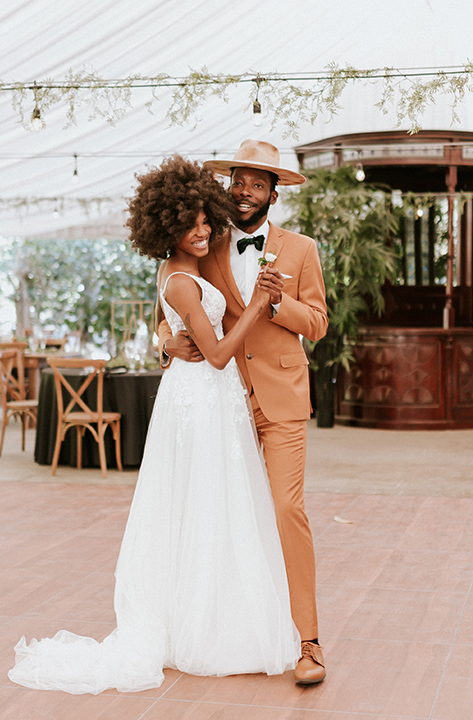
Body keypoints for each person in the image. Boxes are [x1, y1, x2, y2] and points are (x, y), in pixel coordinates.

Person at [8, 155, 301, 695]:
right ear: (167, 225)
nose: (203, 230)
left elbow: (303, 319)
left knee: (222, 503)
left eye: (205, 221)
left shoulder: (208, 260)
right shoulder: (184, 274)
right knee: (210, 502)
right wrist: (256, 305)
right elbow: (208, 350)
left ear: (272, 194)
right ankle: (205, 625)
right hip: (206, 394)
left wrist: (171, 336)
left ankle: (218, 612)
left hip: (238, 396)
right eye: (190, 223)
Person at [157, 140, 329, 685]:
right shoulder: (204, 243)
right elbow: (167, 303)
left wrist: (276, 302)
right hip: (221, 402)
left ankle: (308, 641)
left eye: (258, 184)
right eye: (239, 181)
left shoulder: (300, 249)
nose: (245, 192)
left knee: (284, 509)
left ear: (274, 194)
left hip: (279, 401)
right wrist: (164, 341)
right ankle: (229, 628)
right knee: (222, 512)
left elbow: (319, 322)